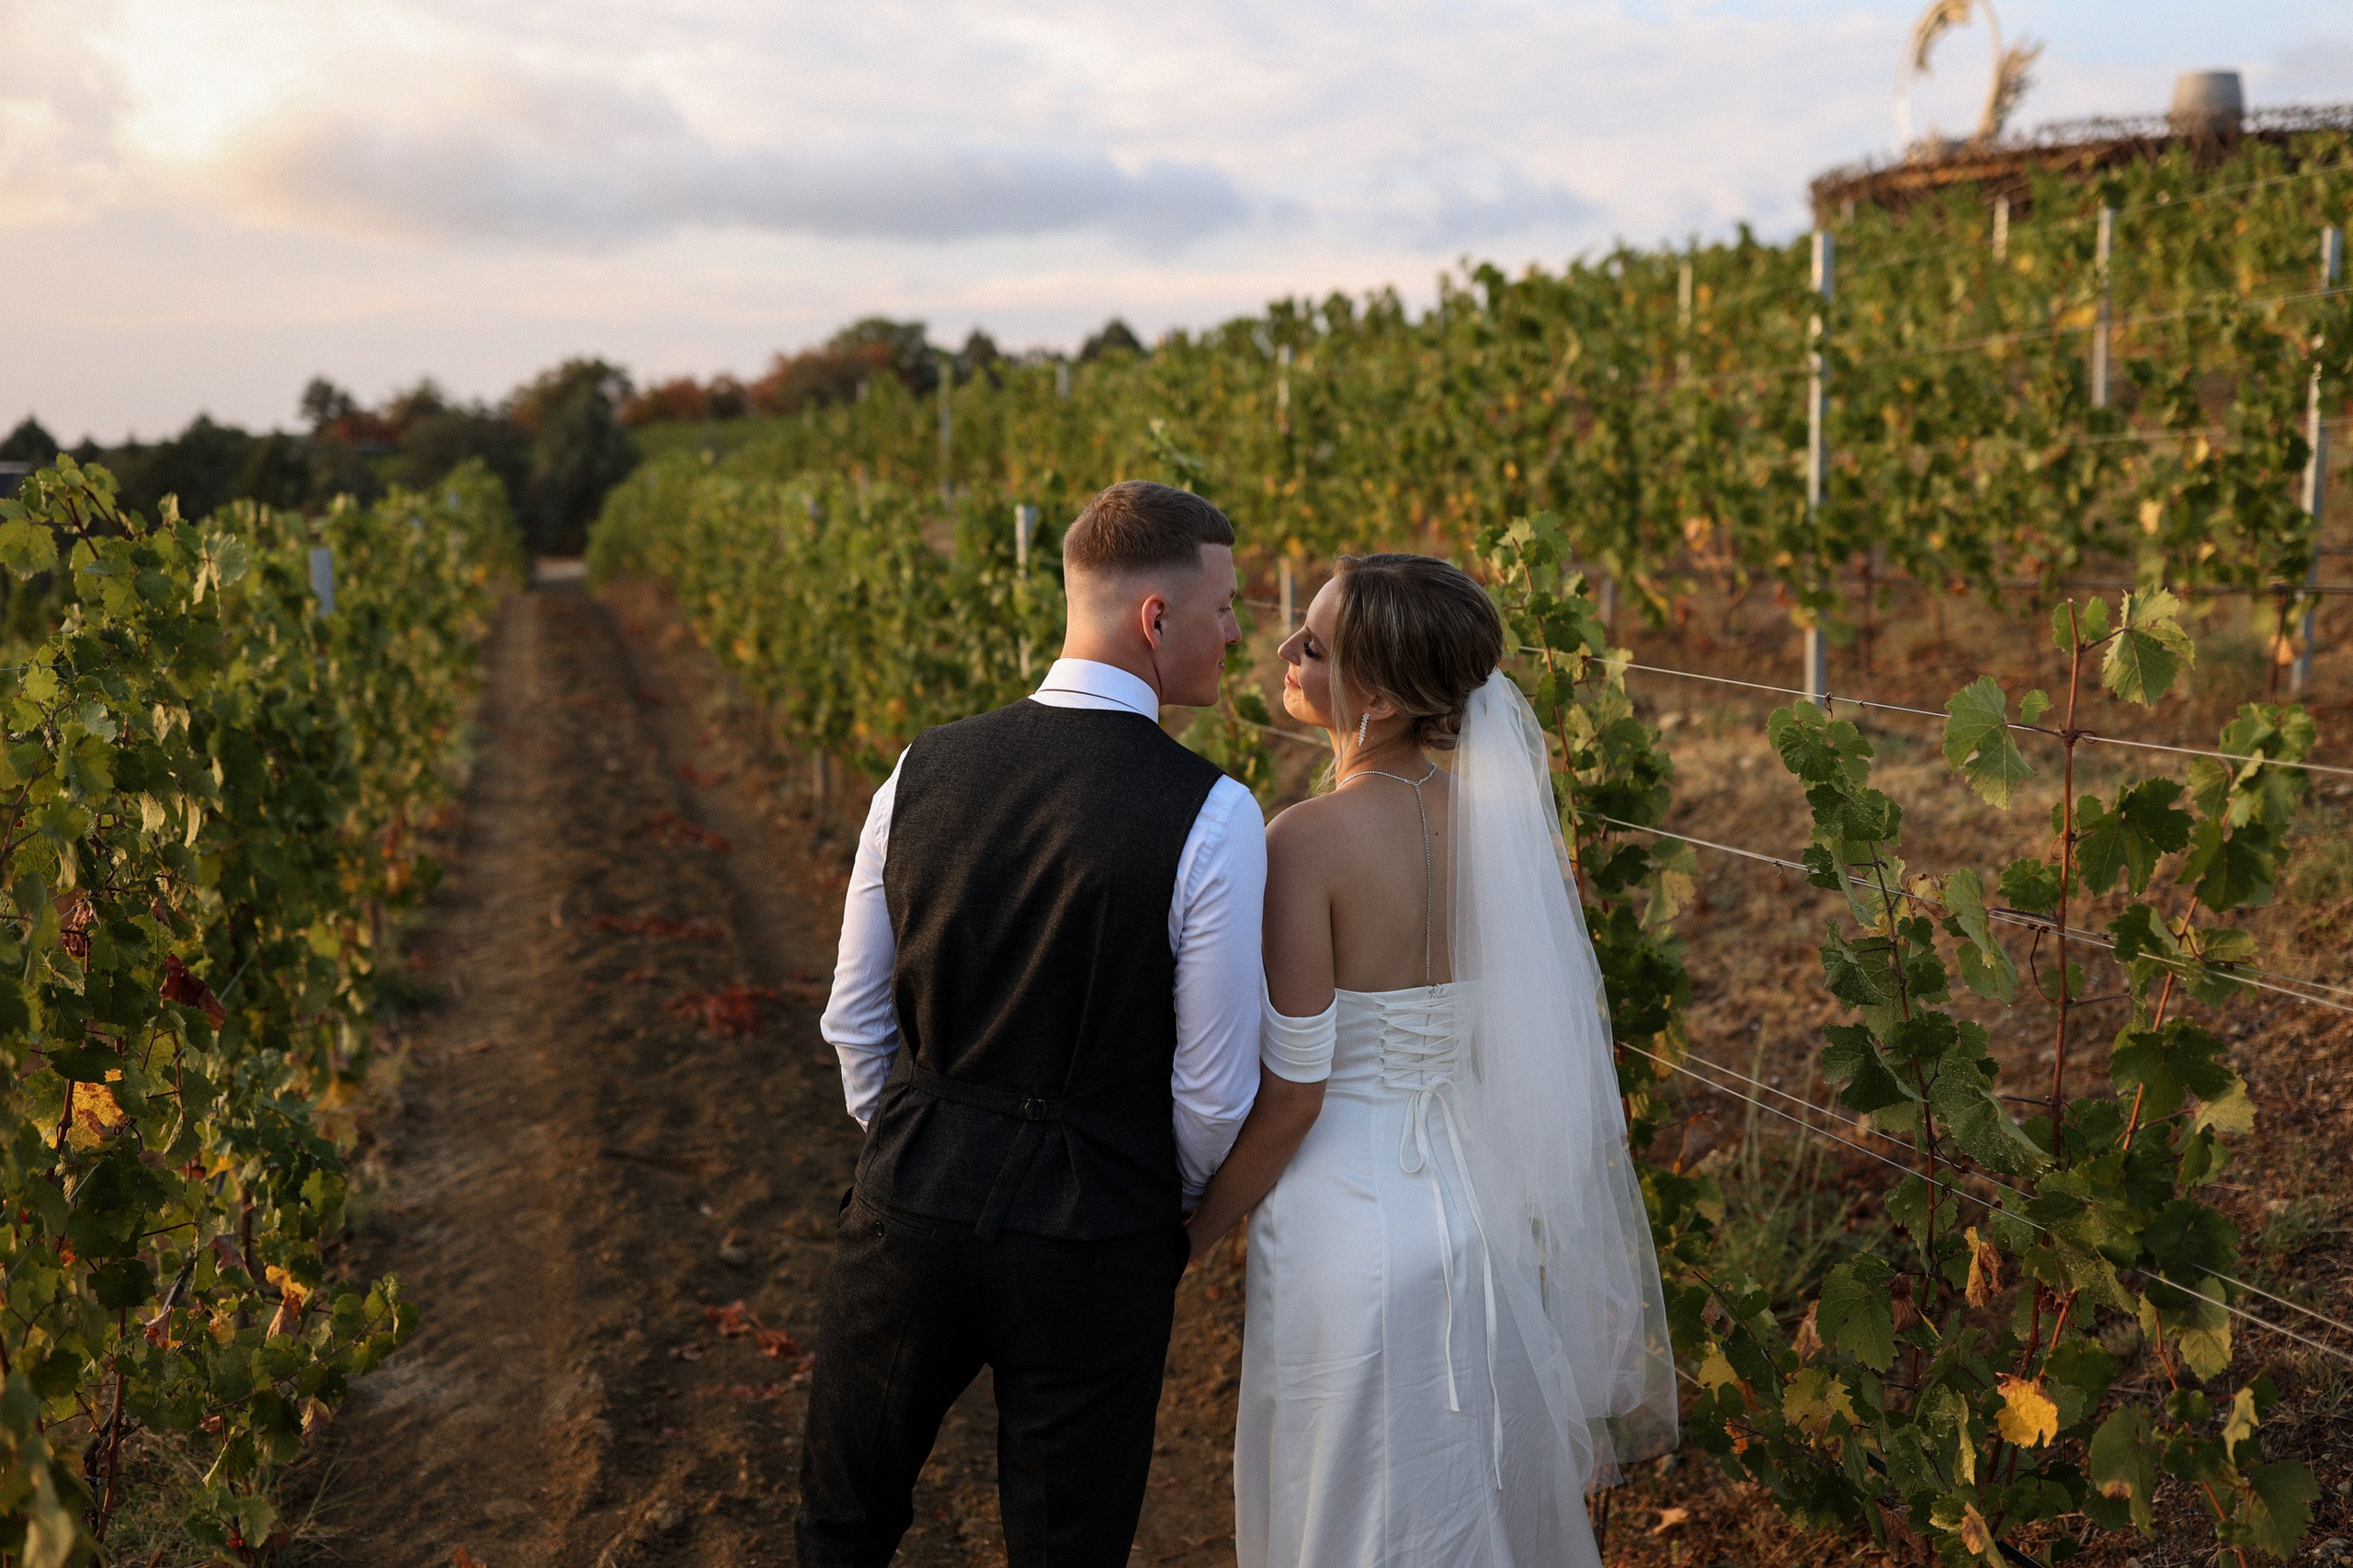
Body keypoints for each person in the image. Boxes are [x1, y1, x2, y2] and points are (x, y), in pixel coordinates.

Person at [800, 481, 1267, 1567]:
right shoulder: (1214, 810)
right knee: (1066, 1544)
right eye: (1226, 604)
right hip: (1096, 1233)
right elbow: (1210, 1091)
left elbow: (854, 1017)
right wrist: (1154, 1214)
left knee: (842, 1517)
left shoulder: (923, 765)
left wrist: (914, 1142)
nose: (1238, 629)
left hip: (908, 1199)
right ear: (1156, 618)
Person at [1186, 553, 1678, 1567]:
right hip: (1471, 1210)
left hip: (1341, 1223)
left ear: (1374, 694)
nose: (1283, 650)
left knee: (1345, 1488)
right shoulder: (1497, 829)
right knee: (1463, 1492)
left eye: (1312, 645)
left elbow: (1293, 1098)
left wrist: (1188, 1231)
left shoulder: (1305, 842)